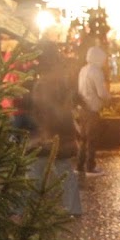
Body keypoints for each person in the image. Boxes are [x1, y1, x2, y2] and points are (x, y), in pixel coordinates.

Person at [28, 42, 81, 215]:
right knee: (63, 170)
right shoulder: (60, 82)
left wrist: (45, 134)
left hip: (48, 135)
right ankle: (73, 208)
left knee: (35, 170)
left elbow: (44, 110)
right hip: (60, 133)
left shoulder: (44, 84)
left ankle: (24, 209)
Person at [76, 44, 111, 175]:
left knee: (83, 138)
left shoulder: (83, 70)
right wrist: (108, 98)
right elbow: (101, 92)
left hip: (82, 108)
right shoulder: (96, 71)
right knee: (91, 139)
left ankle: (80, 165)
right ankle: (90, 166)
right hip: (92, 109)